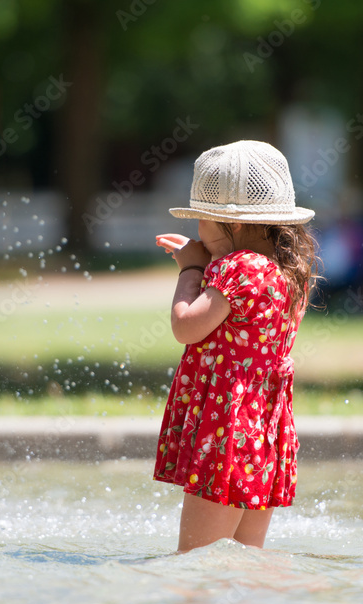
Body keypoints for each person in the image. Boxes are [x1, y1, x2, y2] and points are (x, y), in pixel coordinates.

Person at [153, 140, 320, 552]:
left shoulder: (238, 268)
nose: (198, 233)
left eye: (203, 221)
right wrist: (204, 262)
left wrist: (190, 268)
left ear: (237, 224)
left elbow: (186, 325)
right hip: (262, 431)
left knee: (194, 565)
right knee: (244, 564)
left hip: (225, 432)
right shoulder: (285, 272)